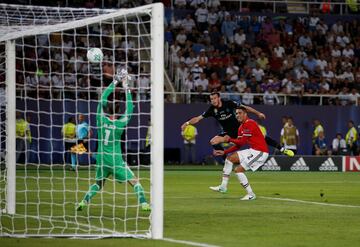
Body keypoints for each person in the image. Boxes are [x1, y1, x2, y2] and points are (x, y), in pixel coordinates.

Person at [181, 92, 293, 193]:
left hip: (241, 128)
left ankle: (282, 149)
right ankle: (225, 162)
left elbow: (245, 108)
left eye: (214, 98)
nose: (213, 101)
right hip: (228, 132)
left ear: (219, 98)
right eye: (211, 99)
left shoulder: (229, 103)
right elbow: (198, 118)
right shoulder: (211, 109)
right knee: (213, 141)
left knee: (263, 137)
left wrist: (258, 113)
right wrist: (187, 123)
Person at [77, 69, 150, 212]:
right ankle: (144, 203)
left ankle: (83, 202)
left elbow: (102, 98)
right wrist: (126, 86)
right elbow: (129, 108)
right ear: (117, 112)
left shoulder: (100, 118)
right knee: (135, 182)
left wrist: (115, 81)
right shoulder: (120, 124)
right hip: (115, 160)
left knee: (98, 183)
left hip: (101, 158)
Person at [211, 106, 269, 200]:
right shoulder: (241, 127)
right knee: (229, 159)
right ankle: (223, 186)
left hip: (260, 152)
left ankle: (251, 194)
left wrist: (228, 139)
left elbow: (241, 142)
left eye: (240, 113)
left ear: (245, 114)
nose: (237, 115)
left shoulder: (250, 123)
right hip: (253, 150)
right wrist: (225, 152)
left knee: (238, 170)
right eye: (236, 113)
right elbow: (239, 145)